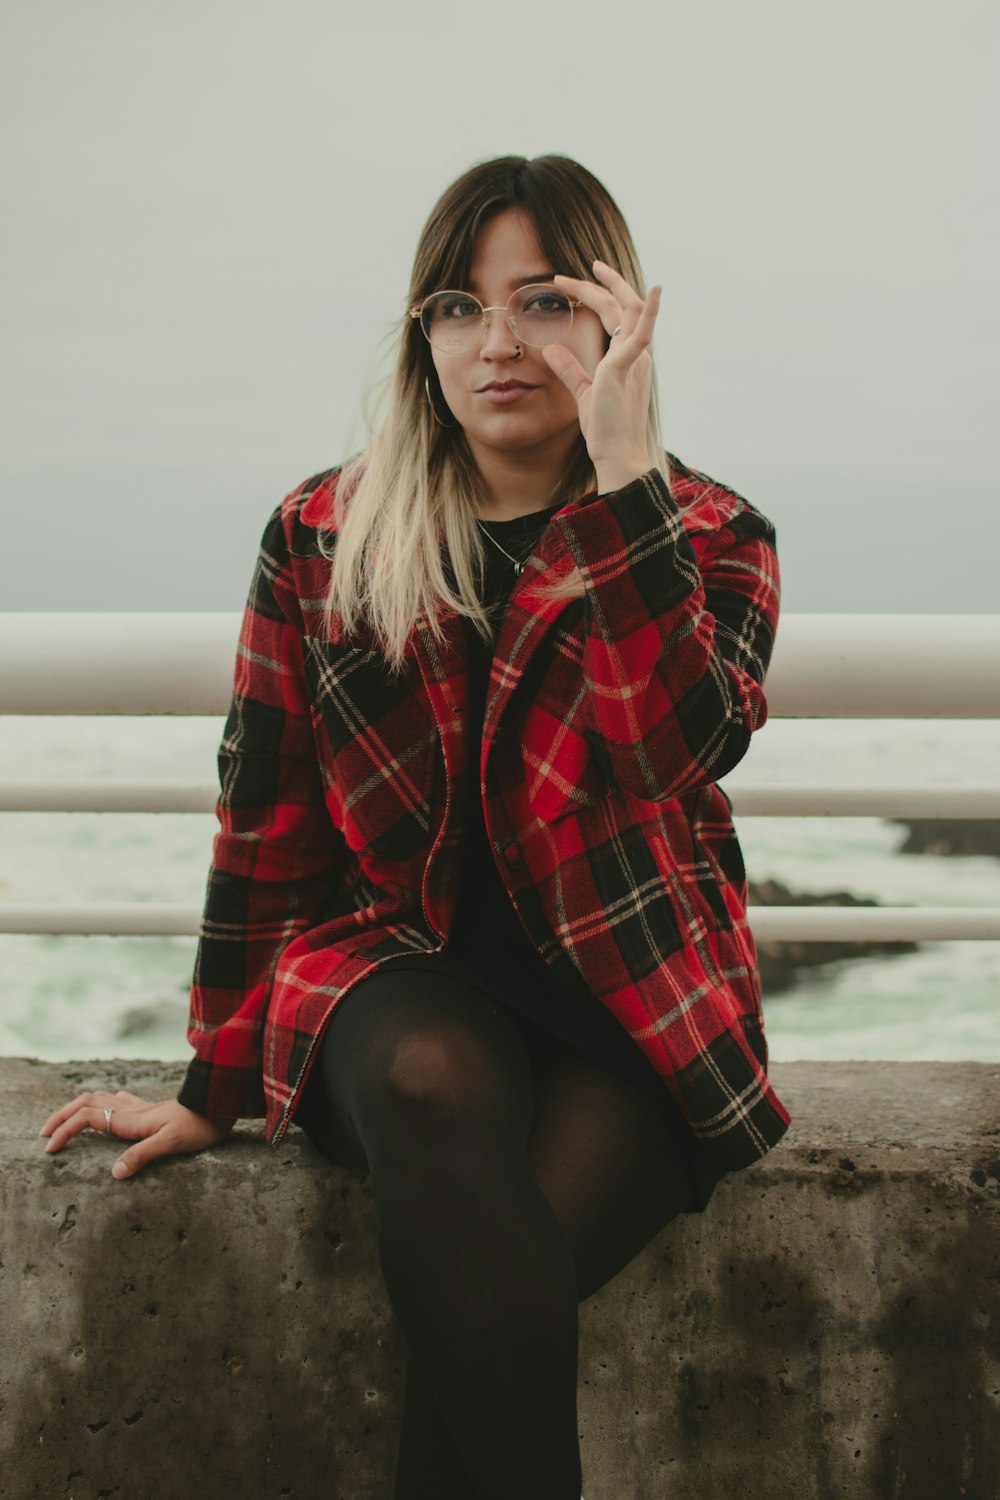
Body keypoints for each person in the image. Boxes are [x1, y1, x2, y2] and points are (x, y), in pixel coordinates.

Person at [39, 154, 790, 1499]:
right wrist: (217, 1083)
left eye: (543, 299)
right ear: (420, 332)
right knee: (433, 1090)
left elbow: (677, 746)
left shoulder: (712, 532)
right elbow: (264, 811)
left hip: (626, 986)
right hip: (397, 963)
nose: (496, 342)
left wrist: (624, 475)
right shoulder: (325, 533)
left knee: (490, 1301)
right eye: (455, 305)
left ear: (617, 320)